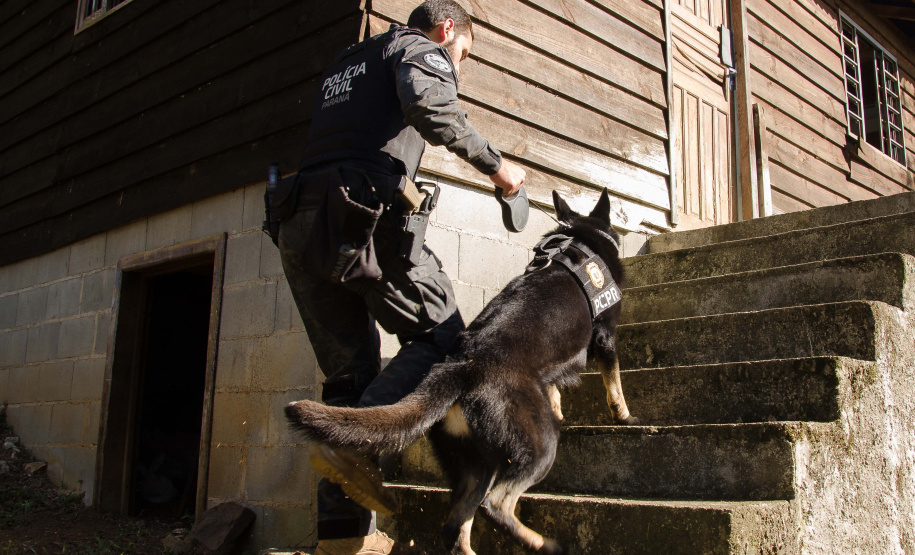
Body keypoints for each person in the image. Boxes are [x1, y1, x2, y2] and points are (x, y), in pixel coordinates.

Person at [278, 1, 525, 553]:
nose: (459, 66)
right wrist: (499, 168)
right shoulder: (418, 48)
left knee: (348, 378)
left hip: (300, 224)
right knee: (444, 338)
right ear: (445, 31)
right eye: (462, 54)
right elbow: (433, 110)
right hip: (361, 218)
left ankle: (341, 543)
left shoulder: (348, 61)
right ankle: (355, 446)